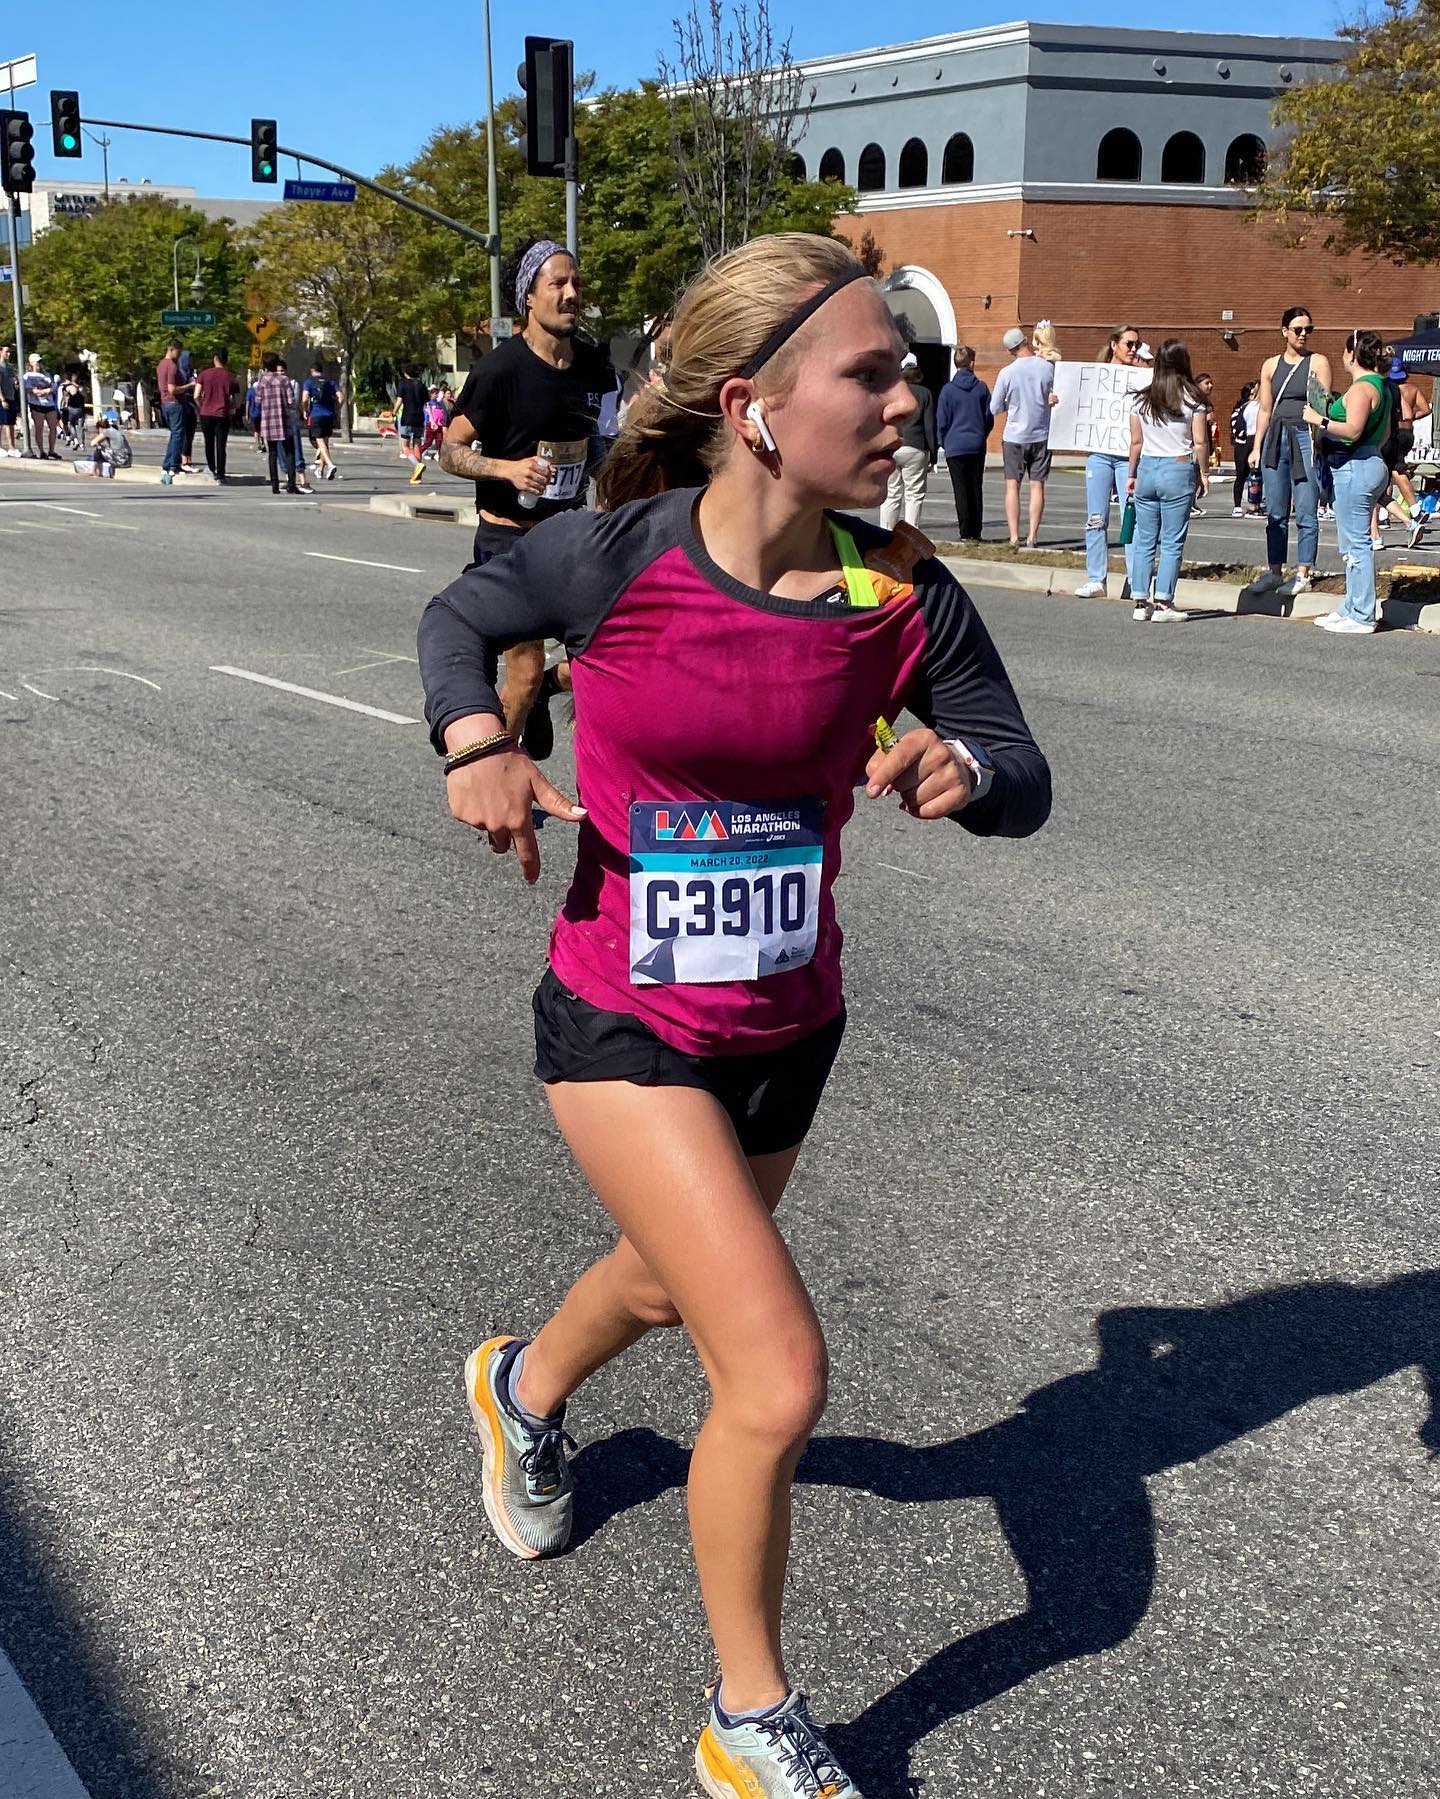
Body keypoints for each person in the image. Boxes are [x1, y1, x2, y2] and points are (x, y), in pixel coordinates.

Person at [416, 230, 1051, 1799]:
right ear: (754, 406)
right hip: (620, 1019)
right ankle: (749, 1717)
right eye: (872, 373)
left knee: (660, 1276)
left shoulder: (898, 588)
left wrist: (965, 766)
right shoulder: (612, 555)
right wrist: (476, 743)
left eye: (909, 371)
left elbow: (1018, 763)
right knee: (772, 1372)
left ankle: (521, 1387)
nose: (909, 401)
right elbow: (458, 619)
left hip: (787, 1023)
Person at [438, 237, 614, 758]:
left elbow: (604, 442)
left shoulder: (596, 368)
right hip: (509, 541)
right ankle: (497, 773)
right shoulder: (501, 370)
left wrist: (613, 490)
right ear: (529, 299)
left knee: (604, 658)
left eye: (576, 282)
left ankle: (542, 697)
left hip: (571, 535)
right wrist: (507, 469)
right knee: (525, 670)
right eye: (557, 283)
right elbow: (449, 450)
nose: (571, 293)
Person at [1303, 328, 1394, 635]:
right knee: (1352, 544)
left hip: (1355, 467)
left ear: (1351, 354)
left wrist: (1319, 420)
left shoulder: (1361, 389)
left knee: (1357, 545)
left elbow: (1353, 429)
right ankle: (1352, 607)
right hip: (1370, 461)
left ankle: (1363, 614)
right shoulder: (1382, 386)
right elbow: (1385, 434)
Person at [1125, 337, 1209, 623]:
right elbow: (1200, 442)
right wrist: (1204, 473)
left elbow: (1135, 442)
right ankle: (1163, 602)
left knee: (1144, 538)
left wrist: (1131, 474)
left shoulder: (1142, 398)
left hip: (1147, 467)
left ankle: (1140, 600)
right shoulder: (1193, 398)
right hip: (1178, 466)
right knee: (1172, 540)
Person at [1249, 306, 1331, 599]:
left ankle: (1303, 572)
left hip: (1304, 436)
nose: (1303, 334)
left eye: (1308, 329)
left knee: (1306, 507)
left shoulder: (1318, 362)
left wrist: (1318, 443)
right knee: (1275, 510)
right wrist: (1256, 446)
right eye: (1298, 329)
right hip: (1276, 437)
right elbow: (1265, 409)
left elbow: (1322, 404)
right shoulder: (1270, 365)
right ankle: (1274, 571)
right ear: (1284, 331)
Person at [1074, 324, 1143, 598]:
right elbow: (1075, 400)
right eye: (1129, 344)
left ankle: (1136, 579)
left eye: (1137, 344)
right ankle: (1096, 579)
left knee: (1131, 518)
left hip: (1128, 457)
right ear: (1114, 345)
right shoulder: (1095, 376)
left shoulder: (1140, 376)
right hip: (1099, 454)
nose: (1133, 349)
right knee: (1096, 518)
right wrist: (1057, 400)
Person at [990, 326, 1058, 549]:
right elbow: (1058, 395)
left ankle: (1013, 537)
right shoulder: (1047, 368)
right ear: (1026, 341)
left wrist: (1010, 404)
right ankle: (1032, 536)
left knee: (1012, 487)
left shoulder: (1007, 373)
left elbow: (994, 407)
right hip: (1041, 433)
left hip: (1014, 436)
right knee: (1037, 487)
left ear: (1010, 350)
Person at [935, 343, 991, 541]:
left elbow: (942, 420)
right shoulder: (981, 388)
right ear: (972, 363)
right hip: (976, 444)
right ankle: (976, 531)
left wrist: (943, 441)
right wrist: (981, 435)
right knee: (976, 488)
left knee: (960, 490)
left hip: (955, 445)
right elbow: (988, 417)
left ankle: (965, 532)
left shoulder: (948, 390)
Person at [880, 351, 935, 529]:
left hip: (894, 445)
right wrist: (933, 453)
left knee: (891, 493)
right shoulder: (925, 393)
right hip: (916, 447)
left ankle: (885, 531)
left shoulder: (890, 391)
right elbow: (929, 426)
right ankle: (911, 533)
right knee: (914, 494)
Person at [255, 352, 301, 495]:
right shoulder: (284, 380)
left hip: (268, 421)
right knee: (290, 452)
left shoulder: (262, 381)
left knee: (272, 453)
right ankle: (291, 484)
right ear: (277, 364)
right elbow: (291, 401)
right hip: (284, 419)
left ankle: (275, 485)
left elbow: (257, 400)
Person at [195, 348, 241, 483]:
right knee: (221, 444)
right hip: (222, 414)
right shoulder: (230, 377)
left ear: (215, 358)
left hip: (206, 413)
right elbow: (237, 401)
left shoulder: (204, 374)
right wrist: (232, 408)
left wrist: (202, 406)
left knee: (209, 443)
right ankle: (221, 473)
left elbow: (196, 395)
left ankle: (211, 468)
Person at [155, 339, 194, 485]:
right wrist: (189, 385)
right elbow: (172, 389)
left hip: (165, 403)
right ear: (171, 349)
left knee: (174, 435)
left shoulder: (161, 365)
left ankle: (167, 465)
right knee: (178, 435)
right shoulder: (171, 366)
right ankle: (174, 465)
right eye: (178, 352)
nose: (179, 355)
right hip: (175, 403)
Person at [302, 360, 344, 481]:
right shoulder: (330, 382)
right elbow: (341, 397)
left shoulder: (309, 382)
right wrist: (337, 409)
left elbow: (304, 399)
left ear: (312, 371)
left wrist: (305, 410)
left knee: (319, 441)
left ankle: (330, 465)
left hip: (316, 415)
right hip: (329, 415)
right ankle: (320, 469)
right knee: (325, 443)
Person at [1229, 381, 1259, 515]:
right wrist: (1245, 436)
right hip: (1242, 444)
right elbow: (1236, 426)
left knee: (1256, 475)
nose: (1252, 397)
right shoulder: (1241, 408)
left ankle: (1255, 504)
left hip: (1255, 442)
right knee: (1241, 474)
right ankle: (1237, 505)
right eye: (1250, 394)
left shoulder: (1259, 407)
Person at [23, 353, 61, 460]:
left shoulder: (46, 374)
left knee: (53, 427)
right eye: (37, 362)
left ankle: (51, 450)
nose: (39, 364)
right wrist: (42, 391)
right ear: (31, 363)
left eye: (40, 362)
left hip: (49, 403)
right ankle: (41, 451)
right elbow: (29, 390)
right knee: (39, 428)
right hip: (37, 404)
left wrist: (48, 390)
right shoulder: (28, 376)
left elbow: (53, 387)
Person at [1189, 371, 1216, 516]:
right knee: (1193, 474)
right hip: (1194, 444)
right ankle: (1189, 504)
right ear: (1198, 385)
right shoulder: (1193, 402)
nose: (1210, 386)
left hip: (1205, 442)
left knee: (1197, 475)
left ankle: (1192, 503)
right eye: (1207, 383)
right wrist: (1205, 419)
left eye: (1211, 383)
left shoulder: (1207, 403)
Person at [395, 365, 429, 469]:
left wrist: (393, 413)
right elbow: (426, 403)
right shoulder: (422, 385)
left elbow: (399, 401)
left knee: (405, 446)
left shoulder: (403, 384)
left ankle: (417, 465)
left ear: (406, 373)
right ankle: (418, 472)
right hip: (419, 418)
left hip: (407, 417)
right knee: (417, 444)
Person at [0, 344, 21, 456]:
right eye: (6, 351)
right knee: (2, 423)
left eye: (10, 352)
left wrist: (16, 384)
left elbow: (14, 381)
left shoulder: (10, 367)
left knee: (11, 423)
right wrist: (2, 399)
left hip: (11, 397)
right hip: (3, 399)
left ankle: (12, 447)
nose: (8, 354)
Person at [57, 372, 87, 450]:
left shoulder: (67, 387)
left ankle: (75, 439)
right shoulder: (81, 388)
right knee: (80, 427)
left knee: (71, 424)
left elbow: (66, 398)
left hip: (72, 408)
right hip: (81, 409)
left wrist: (64, 405)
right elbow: (85, 397)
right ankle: (82, 444)